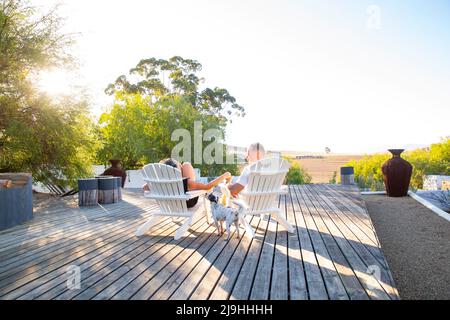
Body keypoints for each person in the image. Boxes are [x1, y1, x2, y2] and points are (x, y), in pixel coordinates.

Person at [143, 158, 232, 208]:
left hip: (171, 205)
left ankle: (174, 168)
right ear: (178, 170)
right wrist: (224, 175)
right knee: (186, 164)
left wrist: (159, 178)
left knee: (185, 165)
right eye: (179, 165)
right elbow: (207, 186)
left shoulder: (160, 182)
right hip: (187, 203)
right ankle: (209, 195)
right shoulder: (186, 182)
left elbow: (144, 188)